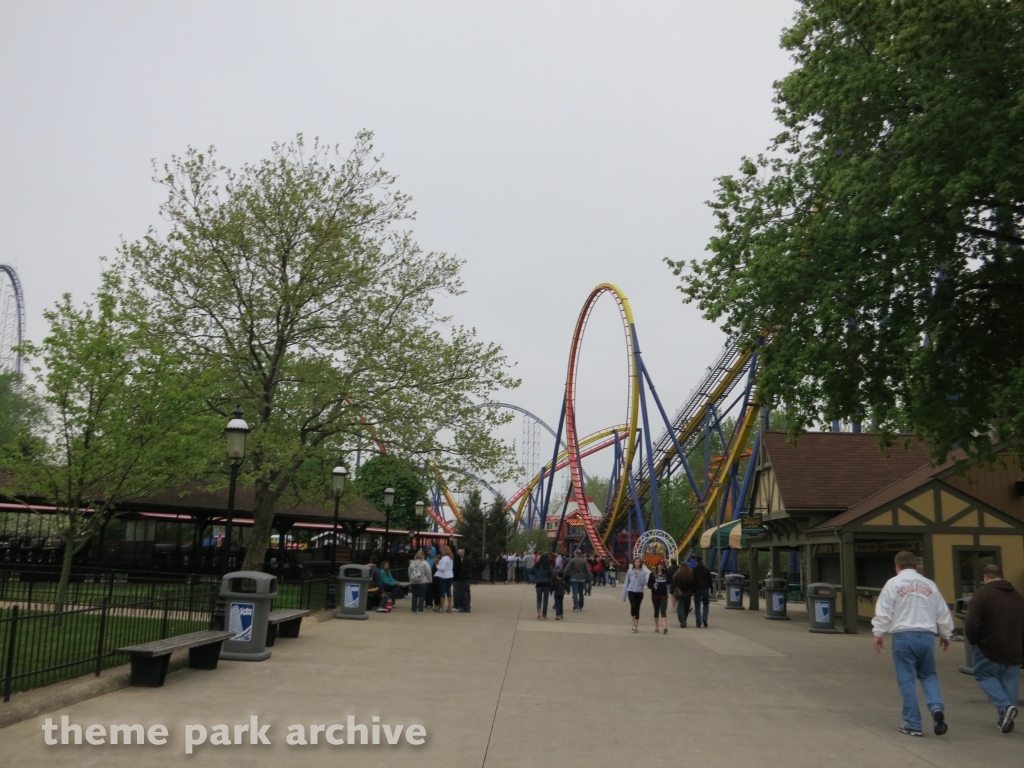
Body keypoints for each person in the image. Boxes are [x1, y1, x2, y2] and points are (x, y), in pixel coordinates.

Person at [872, 550, 954, 738]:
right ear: (916, 566)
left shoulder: (893, 583)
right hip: (926, 635)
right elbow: (941, 611)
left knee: (907, 679)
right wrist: (946, 633)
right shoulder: (929, 584)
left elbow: (884, 611)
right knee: (929, 675)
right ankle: (936, 708)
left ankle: (913, 723)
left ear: (897, 566)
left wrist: (878, 632)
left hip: (903, 635)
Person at [964, 563, 1024, 733]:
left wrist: (974, 641)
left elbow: (972, 623)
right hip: (1014, 649)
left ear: (985, 578)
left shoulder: (982, 595)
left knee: (984, 674)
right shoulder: (1018, 598)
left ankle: (1005, 707)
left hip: (989, 647)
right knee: (1009, 681)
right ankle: (1004, 720)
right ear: (1001, 576)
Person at [622, 556, 646, 633]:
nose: (637, 563)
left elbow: (643, 584)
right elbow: (626, 583)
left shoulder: (643, 572)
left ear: (641, 563)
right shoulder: (630, 571)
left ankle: (636, 625)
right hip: (631, 591)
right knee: (633, 606)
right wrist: (624, 594)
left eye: (639, 561)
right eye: (636, 561)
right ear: (634, 563)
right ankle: (633, 623)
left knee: (637, 608)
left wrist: (639, 576)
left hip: (639, 592)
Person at [648, 561, 670, 634]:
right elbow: (648, 584)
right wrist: (653, 585)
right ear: (657, 565)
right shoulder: (652, 574)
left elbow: (671, 581)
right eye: (659, 565)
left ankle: (665, 627)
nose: (660, 566)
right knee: (656, 610)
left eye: (662, 565)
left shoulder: (666, 574)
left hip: (664, 595)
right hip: (655, 595)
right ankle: (656, 626)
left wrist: (667, 570)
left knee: (663, 611)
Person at [691, 557, 713, 628]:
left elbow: (692, 580)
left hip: (697, 590)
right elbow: (710, 580)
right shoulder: (706, 570)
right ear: (702, 561)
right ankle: (704, 618)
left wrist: (692, 589)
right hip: (705, 589)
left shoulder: (694, 570)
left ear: (696, 562)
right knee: (706, 605)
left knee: (697, 606)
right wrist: (711, 589)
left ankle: (698, 622)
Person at [408, 549, 432, 614]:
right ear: (423, 555)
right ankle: (420, 610)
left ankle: (413, 609)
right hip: (422, 581)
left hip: (413, 581)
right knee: (421, 596)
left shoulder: (412, 563)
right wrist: (430, 579)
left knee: (414, 596)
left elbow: (409, 572)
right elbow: (428, 572)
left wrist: (411, 579)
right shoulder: (424, 563)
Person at [671, 561, 694, 628]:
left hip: (679, 593)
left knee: (680, 607)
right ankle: (684, 620)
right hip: (688, 593)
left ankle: (682, 621)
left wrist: (672, 590)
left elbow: (673, 583)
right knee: (687, 607)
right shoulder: (690, 574)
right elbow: (693, 584)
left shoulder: (677, 574)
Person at [533, 553, 554, 619]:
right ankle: (544, 614)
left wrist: (536, 575)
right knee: (545, 600)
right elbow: (553, 574)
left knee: (539, 599)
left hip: (539, 583)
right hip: (547, 583)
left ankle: (539, 609)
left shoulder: (537, 566)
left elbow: (531, 571)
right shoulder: (548, 566)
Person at [435, 545, 455, 613]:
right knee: (448, 591)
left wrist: (437, 566)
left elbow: (442, 568)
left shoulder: (444, 559)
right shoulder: (450, 558)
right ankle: (449, 607)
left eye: (442, 550)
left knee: (442, 592)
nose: (441, 551)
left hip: (443, 576)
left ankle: (441, 607)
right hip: (450, 575)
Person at [456, 548, 474, 612]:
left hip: (464, 577)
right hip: (469, 576)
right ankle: (468, 606)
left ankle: (465, 607)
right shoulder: (470, 558)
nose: (463, 551)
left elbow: (463, 569)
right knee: (468, 592)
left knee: (464, 592)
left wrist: (460, 577)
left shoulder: (465, 558)